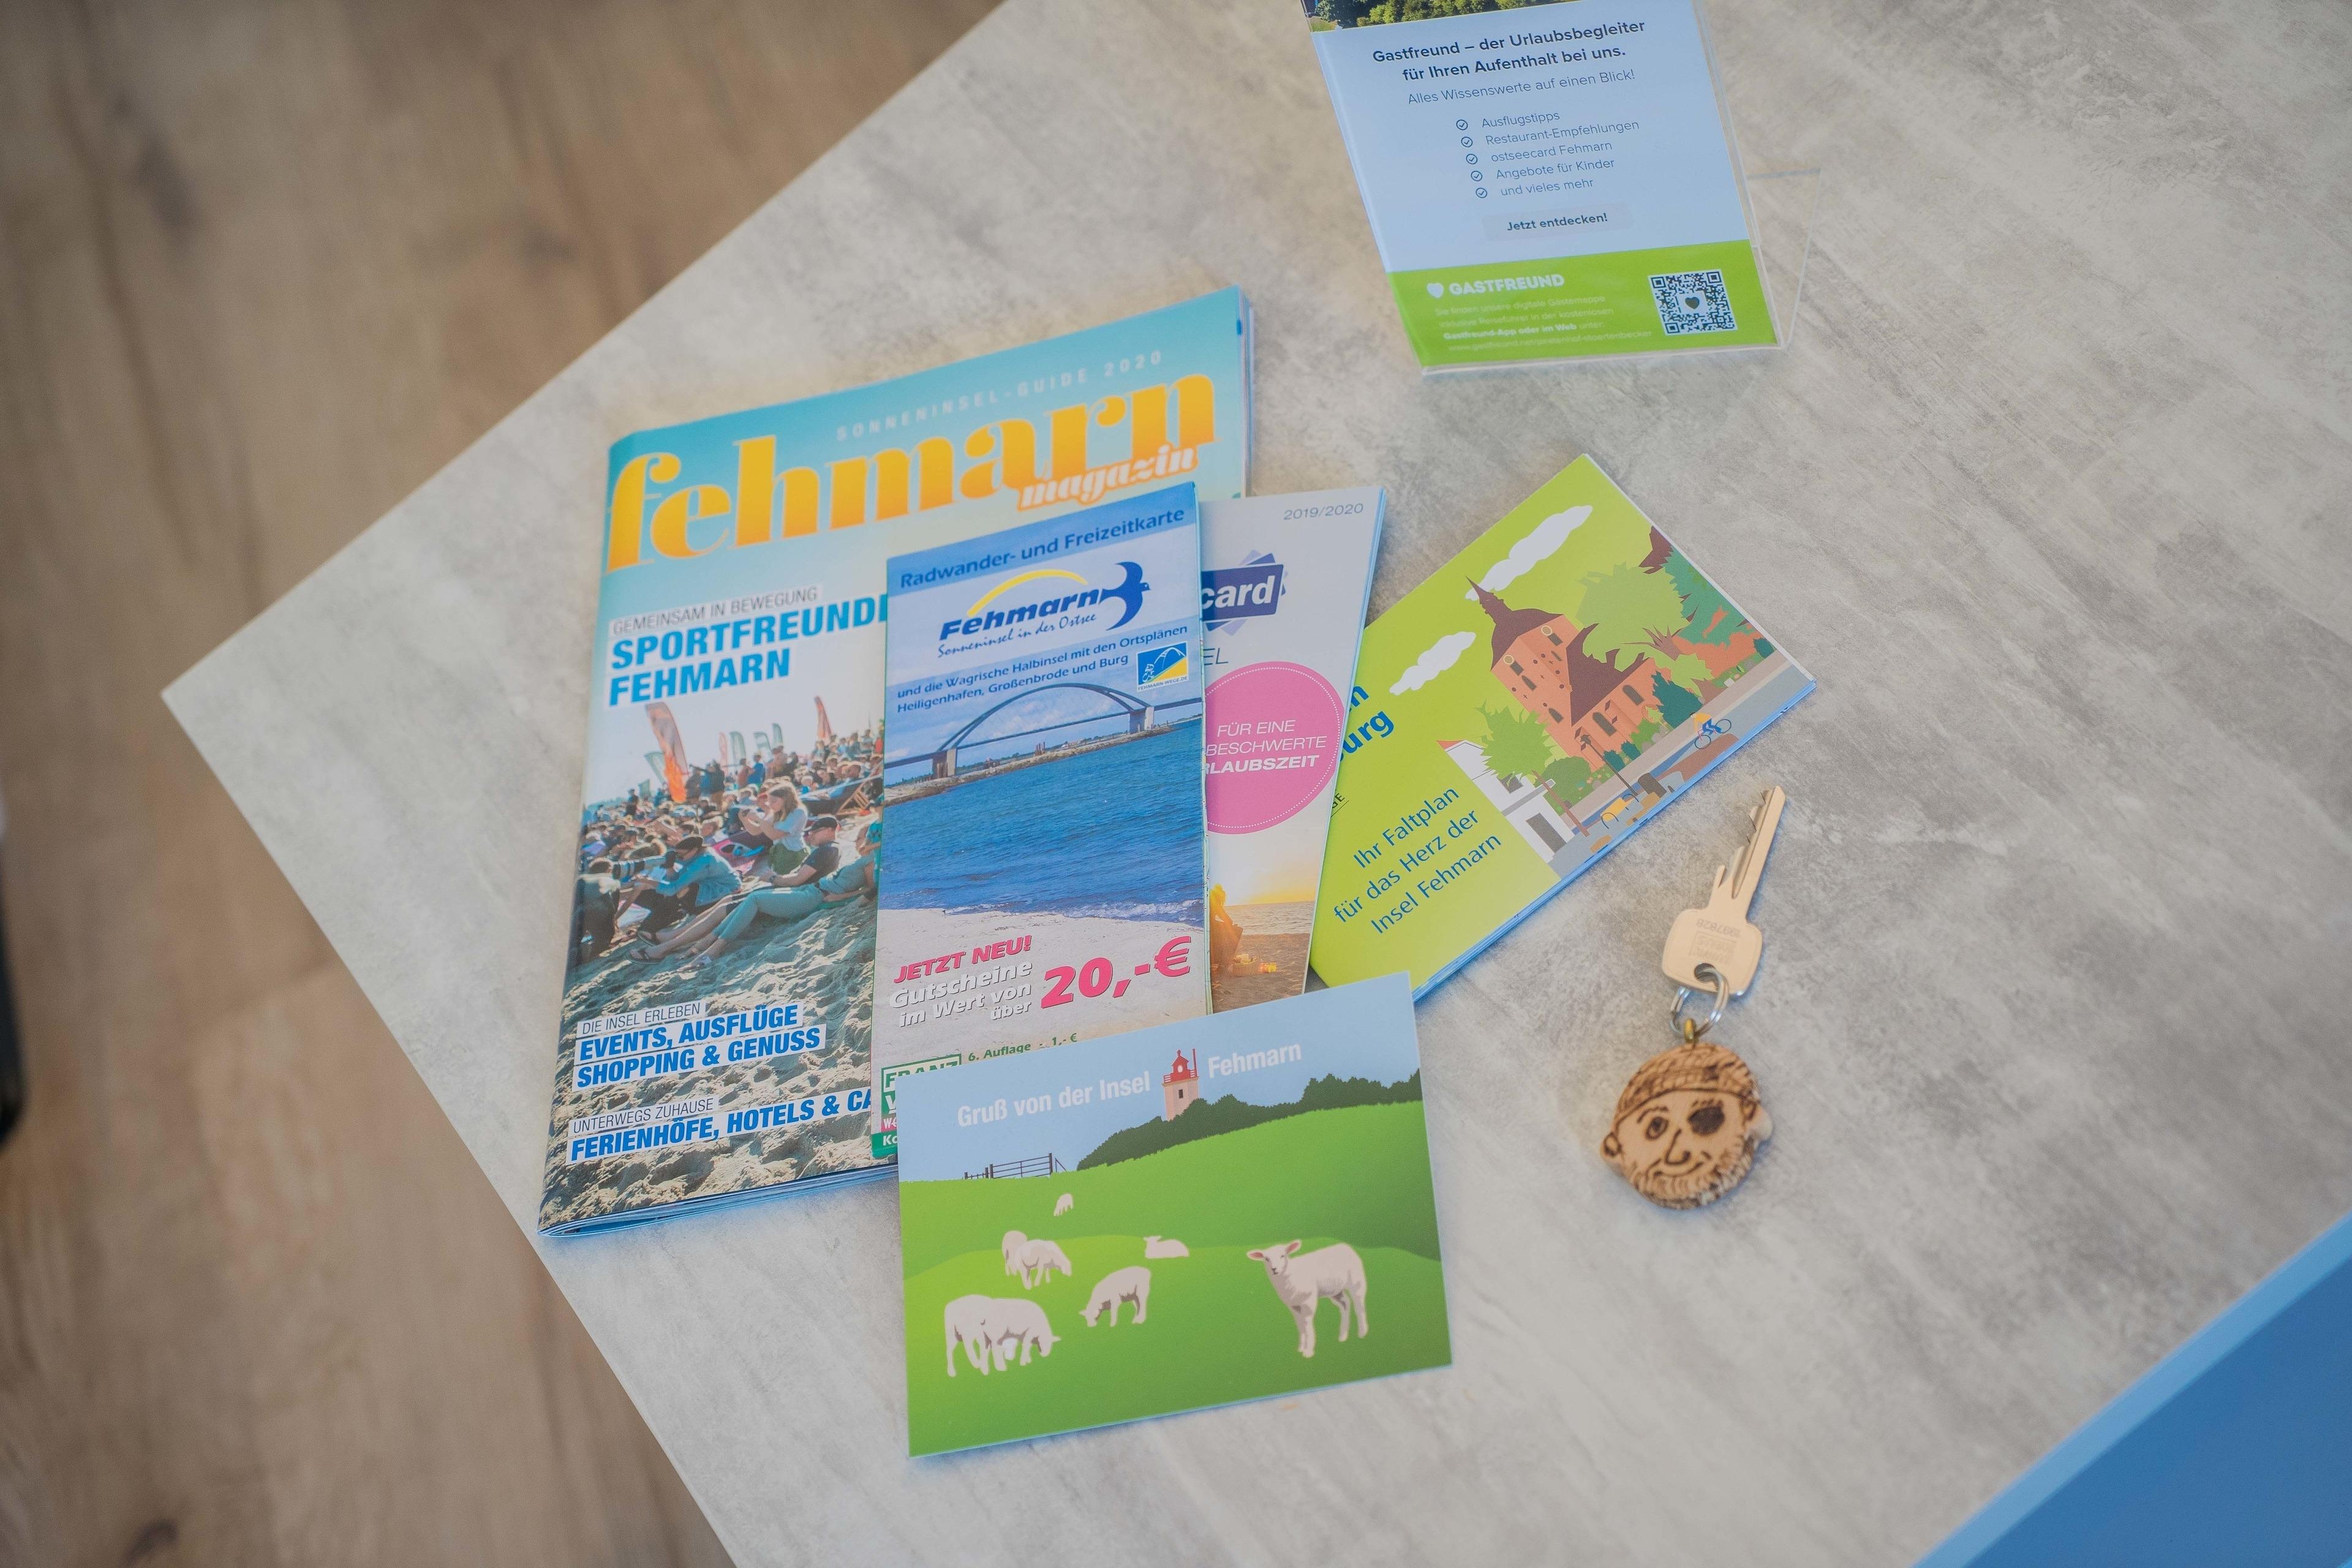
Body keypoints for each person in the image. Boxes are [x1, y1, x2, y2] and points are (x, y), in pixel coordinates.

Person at [631, 816, 845, 961]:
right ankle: (672, 937)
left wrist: (772, 877)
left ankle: (664, 948)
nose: (810, 835)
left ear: (830, 830)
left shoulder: (826, 851)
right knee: (726, 903)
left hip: (794, 896)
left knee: (726, 909)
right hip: (789, 894)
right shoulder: (829, 850)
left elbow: (798, 880)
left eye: (814, 831)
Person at [673, 818, 876, 971]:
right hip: (811, 889)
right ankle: (707, 941)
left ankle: (713, 949)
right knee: (749, 899)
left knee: (754, 899)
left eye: (861, 837)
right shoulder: (859, 857)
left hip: (816, 897)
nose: (858, 840)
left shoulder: (869, 860)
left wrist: (838, 898)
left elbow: (869, 891)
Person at [619, 833, 741, 941]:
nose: (679, 858)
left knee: (679, 893)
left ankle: (648, 929)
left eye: (681, 855)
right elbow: (674, 880)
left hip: (726, 890)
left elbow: (673, 889)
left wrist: (648, 881)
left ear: (694, 850)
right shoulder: (698, 855)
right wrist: (669, 867)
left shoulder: (704, 861)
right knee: (675, 894)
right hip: (711, 888)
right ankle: (648, 929)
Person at [571, 858, 622, 967]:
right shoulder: (611, 882)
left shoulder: (581, 880)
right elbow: (613, 906)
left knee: (573, 942)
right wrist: (612, 921)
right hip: (600, 914)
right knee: (604, 940)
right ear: (608, 870)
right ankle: (586, 953)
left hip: (580, 913)